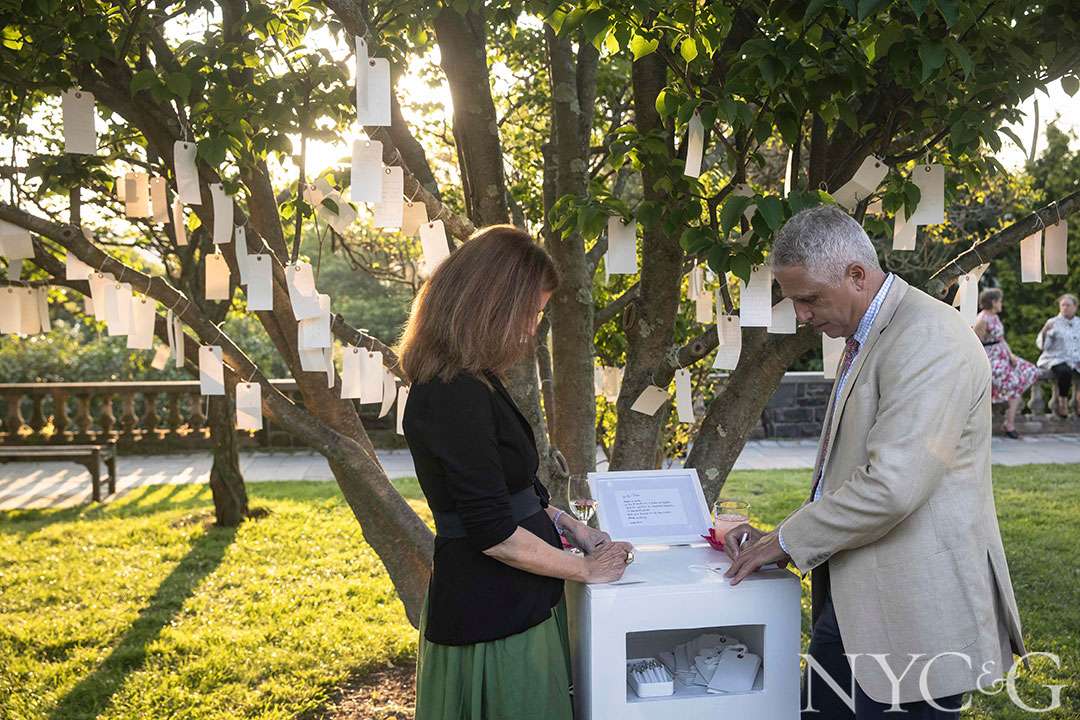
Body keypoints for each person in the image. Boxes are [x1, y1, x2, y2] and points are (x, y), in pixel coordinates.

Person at [723, 205, 1025, 720]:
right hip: (861, 599)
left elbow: (892, 485)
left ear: (857, 275)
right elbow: (850, 472)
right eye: (794, 301)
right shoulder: (875, 330)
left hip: (914, 612)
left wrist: (786, 541)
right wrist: (784, 536)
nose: (801, 315)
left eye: (809, 299)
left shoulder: (927, 337)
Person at [398, 224, 634, 720]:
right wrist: (584, 569)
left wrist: (571, 528)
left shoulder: (475, 379)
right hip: (491, 615)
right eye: (530, 313)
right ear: (491, 305)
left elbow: (514, 490)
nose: (531, 329)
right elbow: (491, 531)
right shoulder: (450, 393)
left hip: (519, 600)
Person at [974, 288, 1040, 438]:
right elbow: (976, 344)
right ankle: (1009, 423)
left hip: (1003, 354)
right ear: (993, 302)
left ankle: (1006, 405)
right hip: (991, 358)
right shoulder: (982, 319)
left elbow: (1001, 339)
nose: (1001, 303)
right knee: (1013, 383)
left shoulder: (995, 317)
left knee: (1031, 370)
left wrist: (1011, 355)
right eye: (999, 301)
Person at [1036, 293, 1080, 418]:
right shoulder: (1052, 322)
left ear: (1075, 307)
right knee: (1064, 372)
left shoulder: (1078, 322)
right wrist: (1045, 332)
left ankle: (1078, 401)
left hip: (1075, 358)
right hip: (1056, 358)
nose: (1065, 308)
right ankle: (1063, 403)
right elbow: (1044, 346)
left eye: (1068, 305)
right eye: (1062, 305)